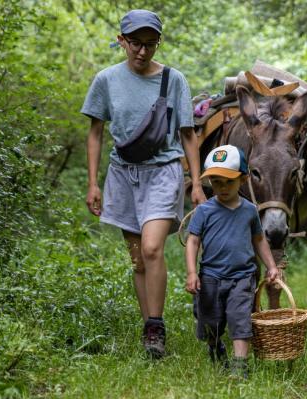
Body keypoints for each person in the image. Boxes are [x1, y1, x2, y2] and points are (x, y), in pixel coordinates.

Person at [81, 9, 206, 358]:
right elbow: (94, 133)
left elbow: (188, 134)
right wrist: (93, 183)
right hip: (123, 174)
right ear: (121, 41)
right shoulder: (106, 80)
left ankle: (156, 324)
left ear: (158, 44)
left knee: (152, 248)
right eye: (135, 43)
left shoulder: (174, 80)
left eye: (150, 44)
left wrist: (196, 183)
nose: (142, 51)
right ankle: (151, 330)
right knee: (138, 259)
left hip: (164, 171)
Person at [185, 145, 279, 379]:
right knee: (210, 321)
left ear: (243, 179)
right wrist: (191, 272)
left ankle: (240, 365)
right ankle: (215, 347)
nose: (223, 188)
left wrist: (272, 266)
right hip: (211, 277)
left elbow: (259, 240)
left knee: (240, 319)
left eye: (229, 181)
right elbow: (193, 242)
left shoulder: (249, 211)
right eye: (216, 182)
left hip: (242, 276)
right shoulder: (204, 211)